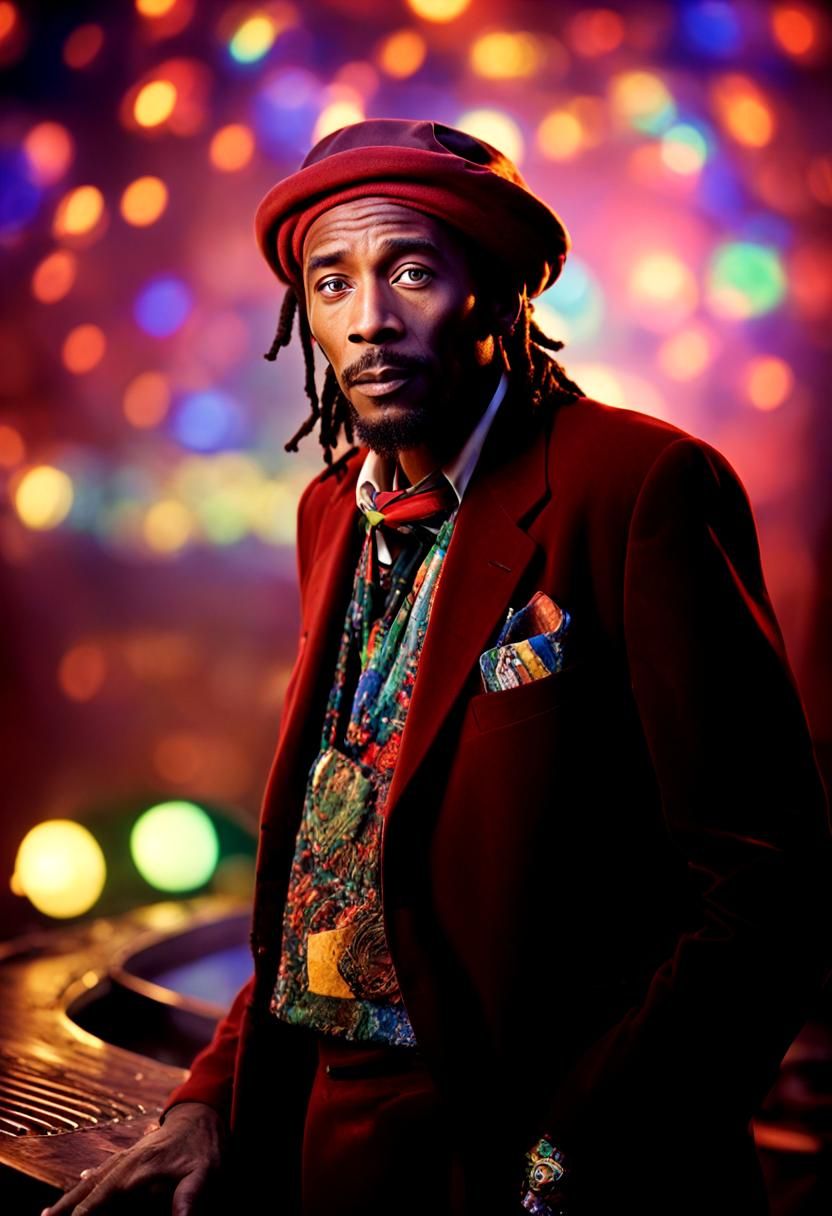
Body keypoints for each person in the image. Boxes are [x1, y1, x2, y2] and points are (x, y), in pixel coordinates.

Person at [44, 118, 832, 1216]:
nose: (368, 320)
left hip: (546, 1163)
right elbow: (330, 863)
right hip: (334, 1153)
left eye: (411, 270)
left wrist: (576, 1158)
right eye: (331, 282)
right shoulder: (328, 512)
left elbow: (767, 889)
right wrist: (210, 1101)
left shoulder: (640, 484)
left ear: (500, 292)